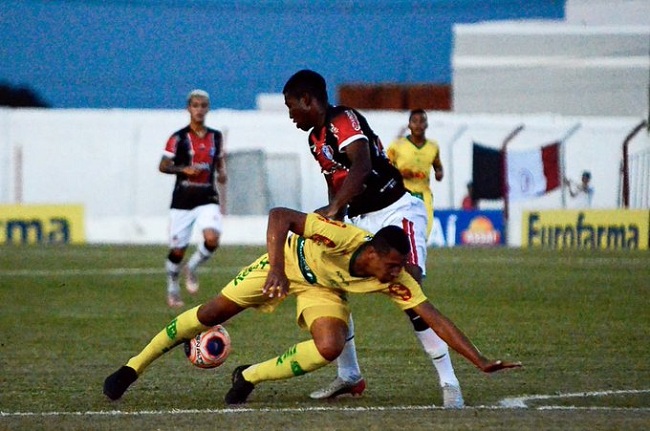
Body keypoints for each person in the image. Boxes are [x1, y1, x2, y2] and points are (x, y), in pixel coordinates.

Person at [103, 207, 522, 404]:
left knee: (330, 347)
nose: (399, 273)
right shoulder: (341, 237)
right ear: (373, 253)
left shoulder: (396, 278)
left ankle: (247, 375)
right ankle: (131, 368)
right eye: (393, 265)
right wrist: (278, 270)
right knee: (211, 313)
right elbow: (279, 216)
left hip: (321, 289)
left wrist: (480, 360)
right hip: (285, 263)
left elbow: (434, 317)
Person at [282, 70, 464, 408]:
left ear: (307, 100)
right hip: (359, 220)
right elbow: (335, 183)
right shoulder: (315, 140)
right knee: (330, 282)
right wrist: (334, 217)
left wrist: (334, 208)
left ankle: (449, 382)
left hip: (396, 211)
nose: (291, 115)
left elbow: (362, 166)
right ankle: (349, 374)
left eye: (291, 106)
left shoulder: (343, 119)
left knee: (409, 286)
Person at [159, 89, 227, 308]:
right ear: (188, 108)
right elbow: (163, 165)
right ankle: (172, 286)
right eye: (195, 105)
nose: (199, 110)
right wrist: (183, 169)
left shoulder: (216, 136)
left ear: (208, 109)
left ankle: (193, 267)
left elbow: (219, 159)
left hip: (207, 196)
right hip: (183, 200)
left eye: (203, 106)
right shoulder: (178, 138)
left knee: (212, 238)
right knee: (177, 250)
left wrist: (222, 172)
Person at [386, 109, 444, 237]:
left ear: (426, 125)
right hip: (402, 192)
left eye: (422, 121)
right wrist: (400, 173)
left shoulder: (433, 146)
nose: (418, 125)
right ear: (409, 125)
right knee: (402, 230)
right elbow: (384, 166)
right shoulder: (397, 146)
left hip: (423, 193)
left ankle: (419, 248)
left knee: (424, 230)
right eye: (415, 121)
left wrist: (439, 173)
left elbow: (438, 166)